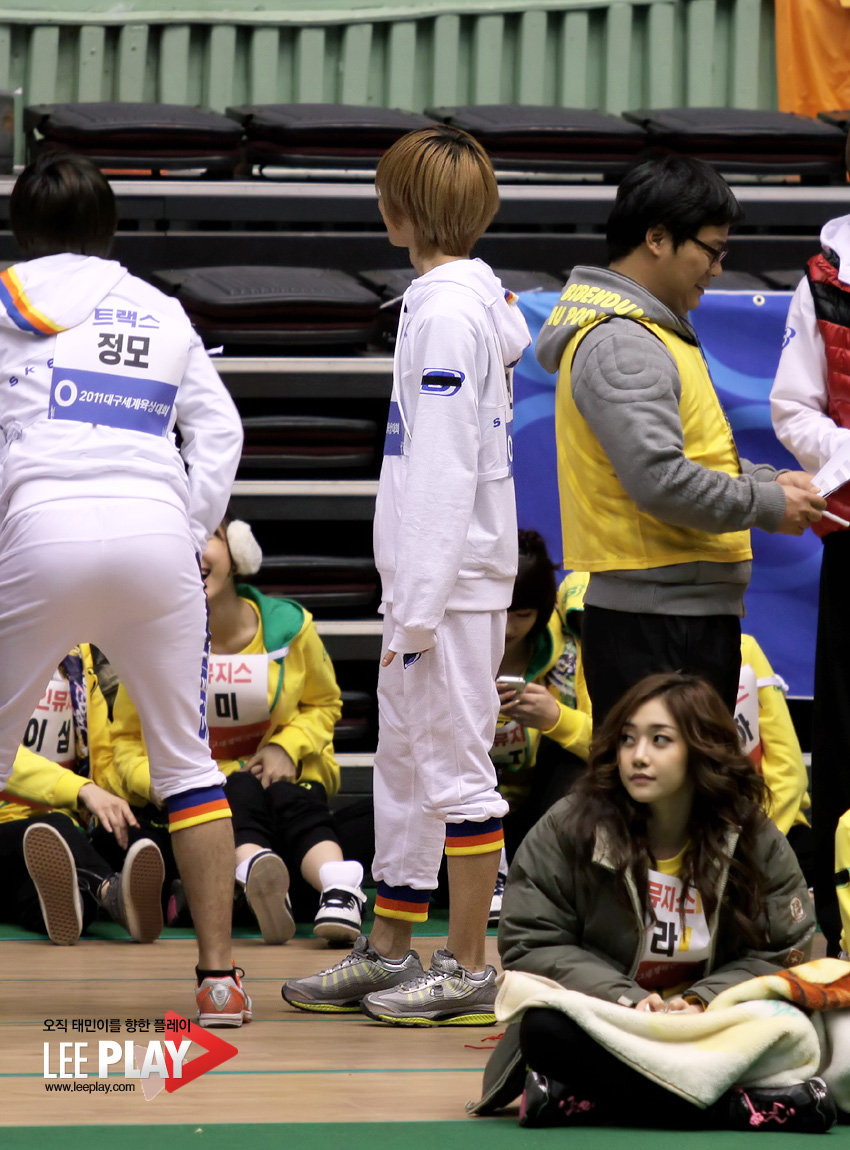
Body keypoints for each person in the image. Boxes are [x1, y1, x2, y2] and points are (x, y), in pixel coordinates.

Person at [281, 124, 531, 1025]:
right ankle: (389, 948)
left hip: (448, 589)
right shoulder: (456, 301)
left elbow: (443, 472)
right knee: (406, 768)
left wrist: (418, 614)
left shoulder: (449, 314)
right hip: (433, 585)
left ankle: (469, 967)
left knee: (457, 770)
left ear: (403, 210)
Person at [0, 152, 248, 1025]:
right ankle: (219, 981)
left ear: (21, 229)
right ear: (109, 229)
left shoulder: (6, 300)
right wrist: (187, 528)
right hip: (154, 540)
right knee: (188, 765)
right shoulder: (159, 306)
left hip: (41, 535)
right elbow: (221, 429)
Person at [536, 155, 825, 727]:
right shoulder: (622, 342)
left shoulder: (647, 329)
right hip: (656, 628)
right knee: (656, 787)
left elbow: (690, 456)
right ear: (657, 238)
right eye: (711, 250)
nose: (717, 268)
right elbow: (661, 481)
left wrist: (770, 480)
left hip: (675, 621)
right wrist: (768, 503)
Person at [491, 672, 832, 1131]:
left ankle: (589, 1101)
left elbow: (783, 948)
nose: (638, 756)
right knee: (544, 1029)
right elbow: (531, 942)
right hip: (614, 1020)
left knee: (797, 1023)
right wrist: (627, 998)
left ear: (702, 749)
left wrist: (702, 999)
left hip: (712, 1023)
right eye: (628, 739)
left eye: (660, 740)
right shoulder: (570, 825)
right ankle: (734, 1110)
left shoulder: (748, 833)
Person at [106, 516, 367, 944]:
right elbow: (128, 740)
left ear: (237, 552)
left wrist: (287, 747)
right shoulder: (148, 642)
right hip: (206, 798)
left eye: (207, 535)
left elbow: (324, 704)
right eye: (180, 539)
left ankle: (331, 889)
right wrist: (159, 783)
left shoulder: (289, 626)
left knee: (295, 800)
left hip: (288, 783)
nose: (193, 550)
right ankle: (264, 875)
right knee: (237, 794)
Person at [770, 143, 850, 953]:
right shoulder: (825, 278)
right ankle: (839, 923)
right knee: (846, 741)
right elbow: (793, 408)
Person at [488, 533, 590, 922]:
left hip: (539, 813)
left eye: (523, 614)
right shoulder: (451, 648)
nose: (508, 627)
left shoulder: (571, 652)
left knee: (572, 758)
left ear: (543, 610)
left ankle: (550, 880)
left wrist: (556, 719)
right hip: (470, 816)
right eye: (500, 611)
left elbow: (615, 745)